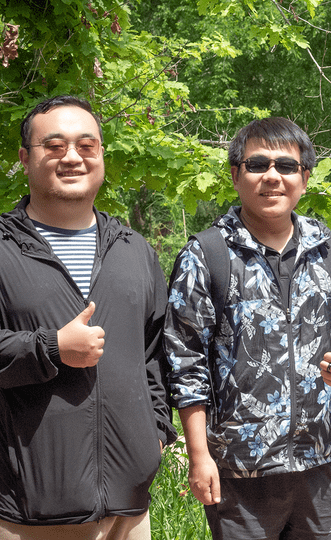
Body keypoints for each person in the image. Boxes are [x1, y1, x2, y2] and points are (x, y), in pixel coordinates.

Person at [164, 116, 331, 540]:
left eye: (286, 166)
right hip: (240, 472)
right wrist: (199, 455)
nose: (272, 176)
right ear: (236, 173)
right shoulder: (206, 254)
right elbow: (184, 364)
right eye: (258, 164)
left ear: (306, 177)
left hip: (321, 463)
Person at [0, 95, 177, 539]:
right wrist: (51, 347)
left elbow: (157, 352)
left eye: (86, 145)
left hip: (129, 507)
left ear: (101, 155)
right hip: (31, 510)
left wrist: (154, 432)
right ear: (25, 158)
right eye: (54, 146)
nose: (72, 157)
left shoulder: (133, 250)